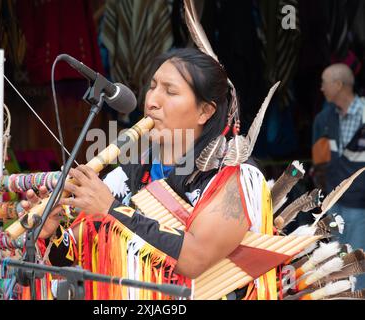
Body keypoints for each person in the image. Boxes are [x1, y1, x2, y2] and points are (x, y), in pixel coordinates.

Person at [22, 48, 274, 300]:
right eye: (152, 87)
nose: (152, 100)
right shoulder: (130, 174)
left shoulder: (236, 177)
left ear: (204, 112)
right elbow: (80, 258)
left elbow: (195, 258)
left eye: (170, 91)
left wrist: (111, 209)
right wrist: (52, 231)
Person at [312, 63, 365, 289]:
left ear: (339, 85)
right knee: (333, 259)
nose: (321, 88)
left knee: (358, 260)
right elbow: (318, 159)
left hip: (359, 205)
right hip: (333, 202)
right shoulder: (324, 119)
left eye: (324, 83)